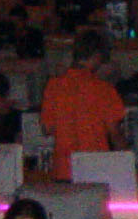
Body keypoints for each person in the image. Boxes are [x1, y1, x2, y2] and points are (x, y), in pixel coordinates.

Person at [40, 29, 126, 182]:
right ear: (97, 56)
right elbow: (115, 135)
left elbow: (47, 129)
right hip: (96, 171)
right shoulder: (104, 89)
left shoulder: (53, 85)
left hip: (63, 171)